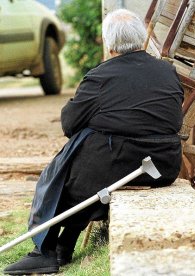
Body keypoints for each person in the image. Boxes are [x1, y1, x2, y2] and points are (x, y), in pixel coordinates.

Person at [4, 9, 183, 275]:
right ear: (141, 39)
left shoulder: (101, 76)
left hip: (123, 164)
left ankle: (45, 251)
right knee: (90, 150)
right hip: (164, 167)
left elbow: (69, 124)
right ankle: (65, 246)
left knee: (66, 166)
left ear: (110, 44)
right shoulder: (167, 71)